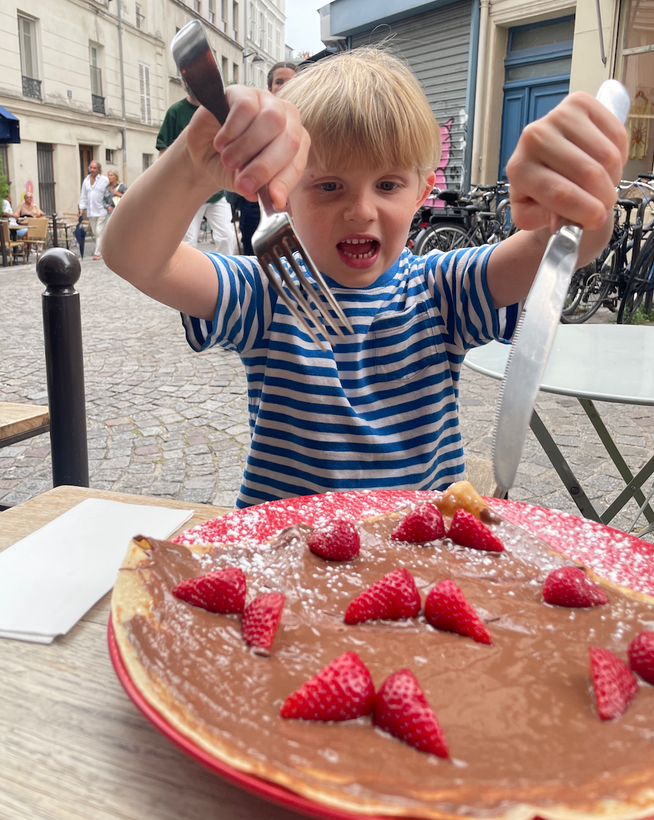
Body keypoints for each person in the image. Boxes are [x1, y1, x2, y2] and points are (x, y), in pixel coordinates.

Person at [103, 48, 626, 509]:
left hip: (416, 562)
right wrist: (193, 166)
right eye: (329, 185)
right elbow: (135, 257)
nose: (360, 210)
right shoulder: (267, 289)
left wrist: (578, 200)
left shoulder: (442, 289)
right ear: (282, 190)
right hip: (288, 562)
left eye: (388, 184)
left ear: (422, 192)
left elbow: (558, 250)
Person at [156, 88, 237, 255]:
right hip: (187, 190)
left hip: (215, 190)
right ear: (184, 84)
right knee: (188, 241)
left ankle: (226, 274)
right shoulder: (176, 111)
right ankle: (186, 279)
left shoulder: (218, 110)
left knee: (227, 236)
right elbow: (163, 151)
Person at [238, 61, 298, 254]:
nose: (285, 86)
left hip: (297, 203)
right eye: (280, 81)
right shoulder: (254, 119)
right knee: (253, 251)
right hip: (257, 202)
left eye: (292, 82)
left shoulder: (312, 119)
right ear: (270, 88)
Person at [78, 160, 108, 260]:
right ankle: (105, 249)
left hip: (102, 210)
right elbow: (83, 196)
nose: (92, 170)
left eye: (94, 168)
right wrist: (81, 209)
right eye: (91, 167)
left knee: (99, 232)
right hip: (91, 211)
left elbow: (110, 191)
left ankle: (97, 253)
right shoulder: (86, 181)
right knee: (96, 232)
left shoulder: (104, 180)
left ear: (99, 170)